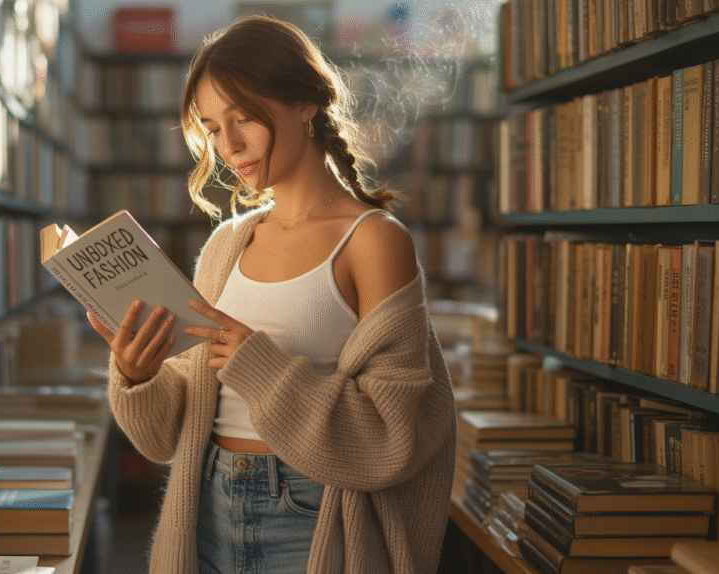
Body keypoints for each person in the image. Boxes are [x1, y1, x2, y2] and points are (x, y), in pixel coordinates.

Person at [87, 14, 456, 574]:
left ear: (306, 102)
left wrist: (261, 369)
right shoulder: (226, 244)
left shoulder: (374, 242)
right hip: (204, 507)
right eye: (212, 128)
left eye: (244, 118)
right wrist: (139, 376)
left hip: (312, 517)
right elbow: (167, 438)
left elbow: (395, 436)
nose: (229, 146)